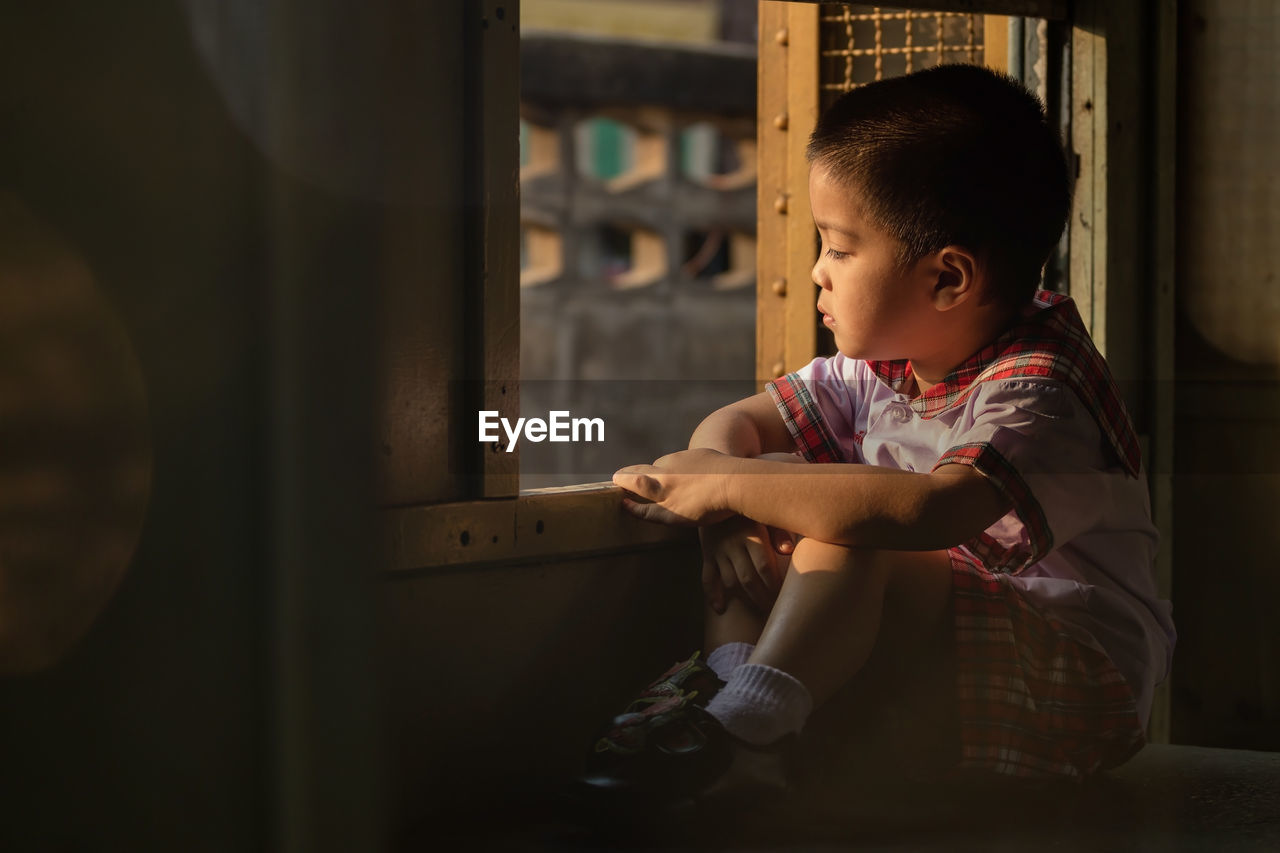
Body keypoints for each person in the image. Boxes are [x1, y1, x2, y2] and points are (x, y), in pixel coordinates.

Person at [572, 63, 1175, 812]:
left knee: (849, 526)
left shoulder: (1042, 390)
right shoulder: (882, 364)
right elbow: (735, 428)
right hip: (942, 648)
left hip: (1066, 676)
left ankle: (746, 734)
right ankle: (731, 701)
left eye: (840, 247)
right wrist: (725, 507)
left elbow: (929, 510)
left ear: (948, 280)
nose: (817, 272)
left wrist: (720, 482)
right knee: (783, 495)